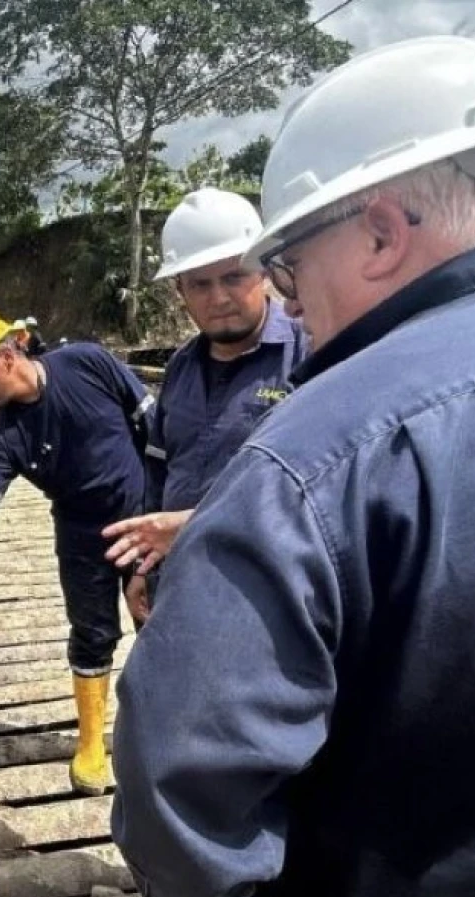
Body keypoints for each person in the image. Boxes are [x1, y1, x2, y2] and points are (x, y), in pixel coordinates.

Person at [111, 35, 475, 897]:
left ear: (381, 233)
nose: (288, 303)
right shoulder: (190, 380)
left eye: (285, 269)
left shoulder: (322, 446)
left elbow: (179, 762)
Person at [0, 310, 152, 794]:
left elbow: (150, 419)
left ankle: (159, 730)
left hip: (144, 519)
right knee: (92, 634)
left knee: (159, 622)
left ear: (6, 357)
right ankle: (91, 743)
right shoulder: (7, 434)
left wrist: (167, 503)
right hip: (81, 535)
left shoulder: (86, 363)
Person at [102, 188, 309, 623]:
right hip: (180, 584)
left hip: (268, 595)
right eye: (200, 284)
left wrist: (192, 525)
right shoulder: (182, 367)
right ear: (179, 289)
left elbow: (317, 490)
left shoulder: (305, 355)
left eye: (233, 277)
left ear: (264, 272)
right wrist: (143, 569)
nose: (218, 298)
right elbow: (158, 472)